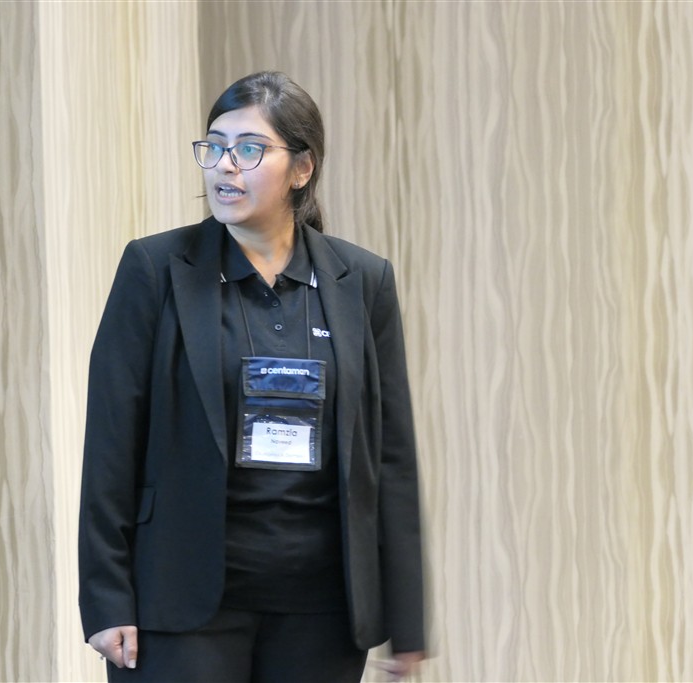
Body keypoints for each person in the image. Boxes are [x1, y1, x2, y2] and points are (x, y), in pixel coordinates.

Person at [78, 71, 425, 683]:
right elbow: (111, 442)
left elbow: (391, 456)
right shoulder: (155, 269)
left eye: (249, 149)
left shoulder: (362, 281)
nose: (224, 166)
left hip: (322, 608)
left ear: (302, 168)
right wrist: (106, 599)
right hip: (182, 603)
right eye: (213, 147)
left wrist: (406, 616)